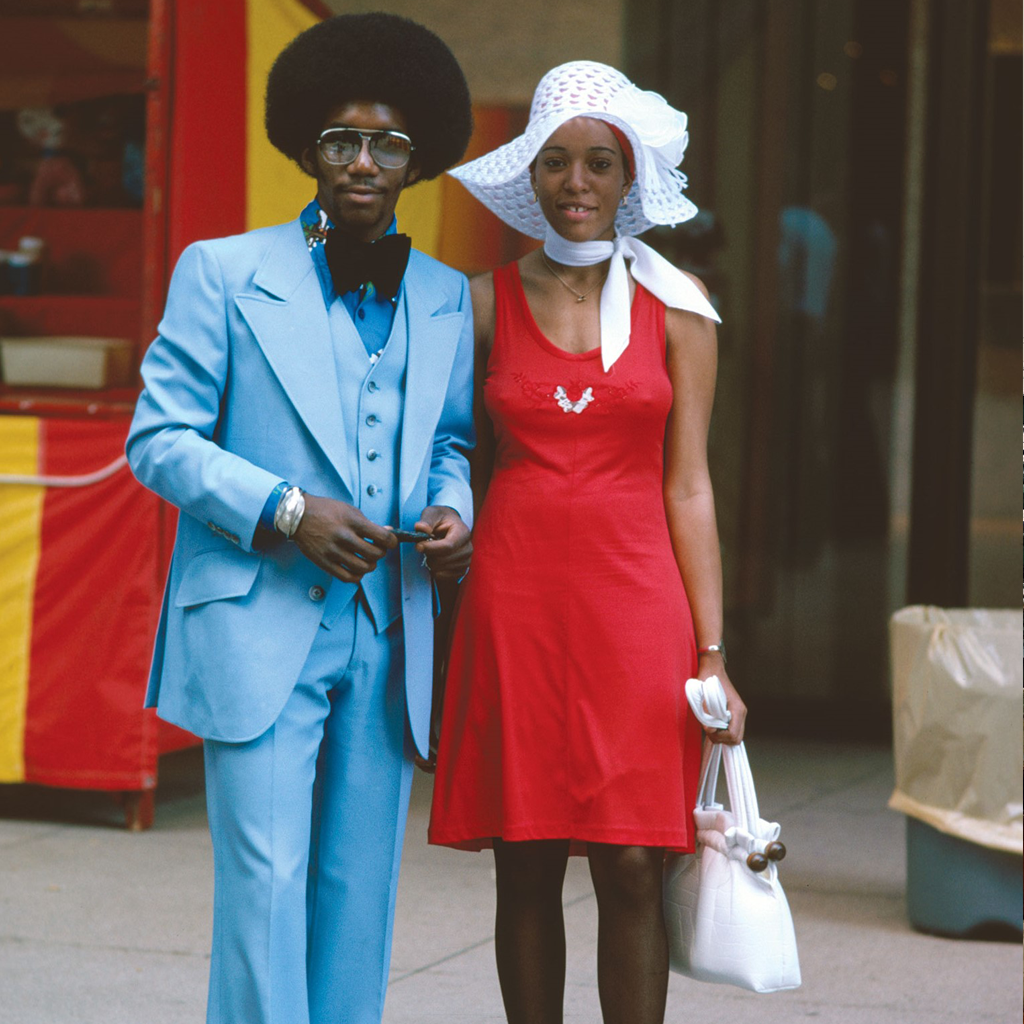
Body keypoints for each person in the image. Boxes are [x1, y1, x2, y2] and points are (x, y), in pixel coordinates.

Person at [126, 14, 474, 1024]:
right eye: (340, 141)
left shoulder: (447, 296)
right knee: (264, 888)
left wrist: (450, 508)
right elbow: (159, 438)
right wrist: (283, 508)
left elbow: (451, 440)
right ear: (305, 149)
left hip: (383, 628)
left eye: (388, 143)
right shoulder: (222, 271)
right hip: (259, 618)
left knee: (357, 894)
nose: (363, 162)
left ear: (418, 158)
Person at [428, 61, 747, 1024]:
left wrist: (714, 656)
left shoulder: (680, 307)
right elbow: (448, 452)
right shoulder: (478, 304)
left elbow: (688, 483)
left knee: (631, 865)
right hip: (515, 607)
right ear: (530, 174)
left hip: (637, 610)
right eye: (558, 162)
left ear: (628, 178)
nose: (576, 183)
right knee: (523, 863)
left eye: (599, 164)